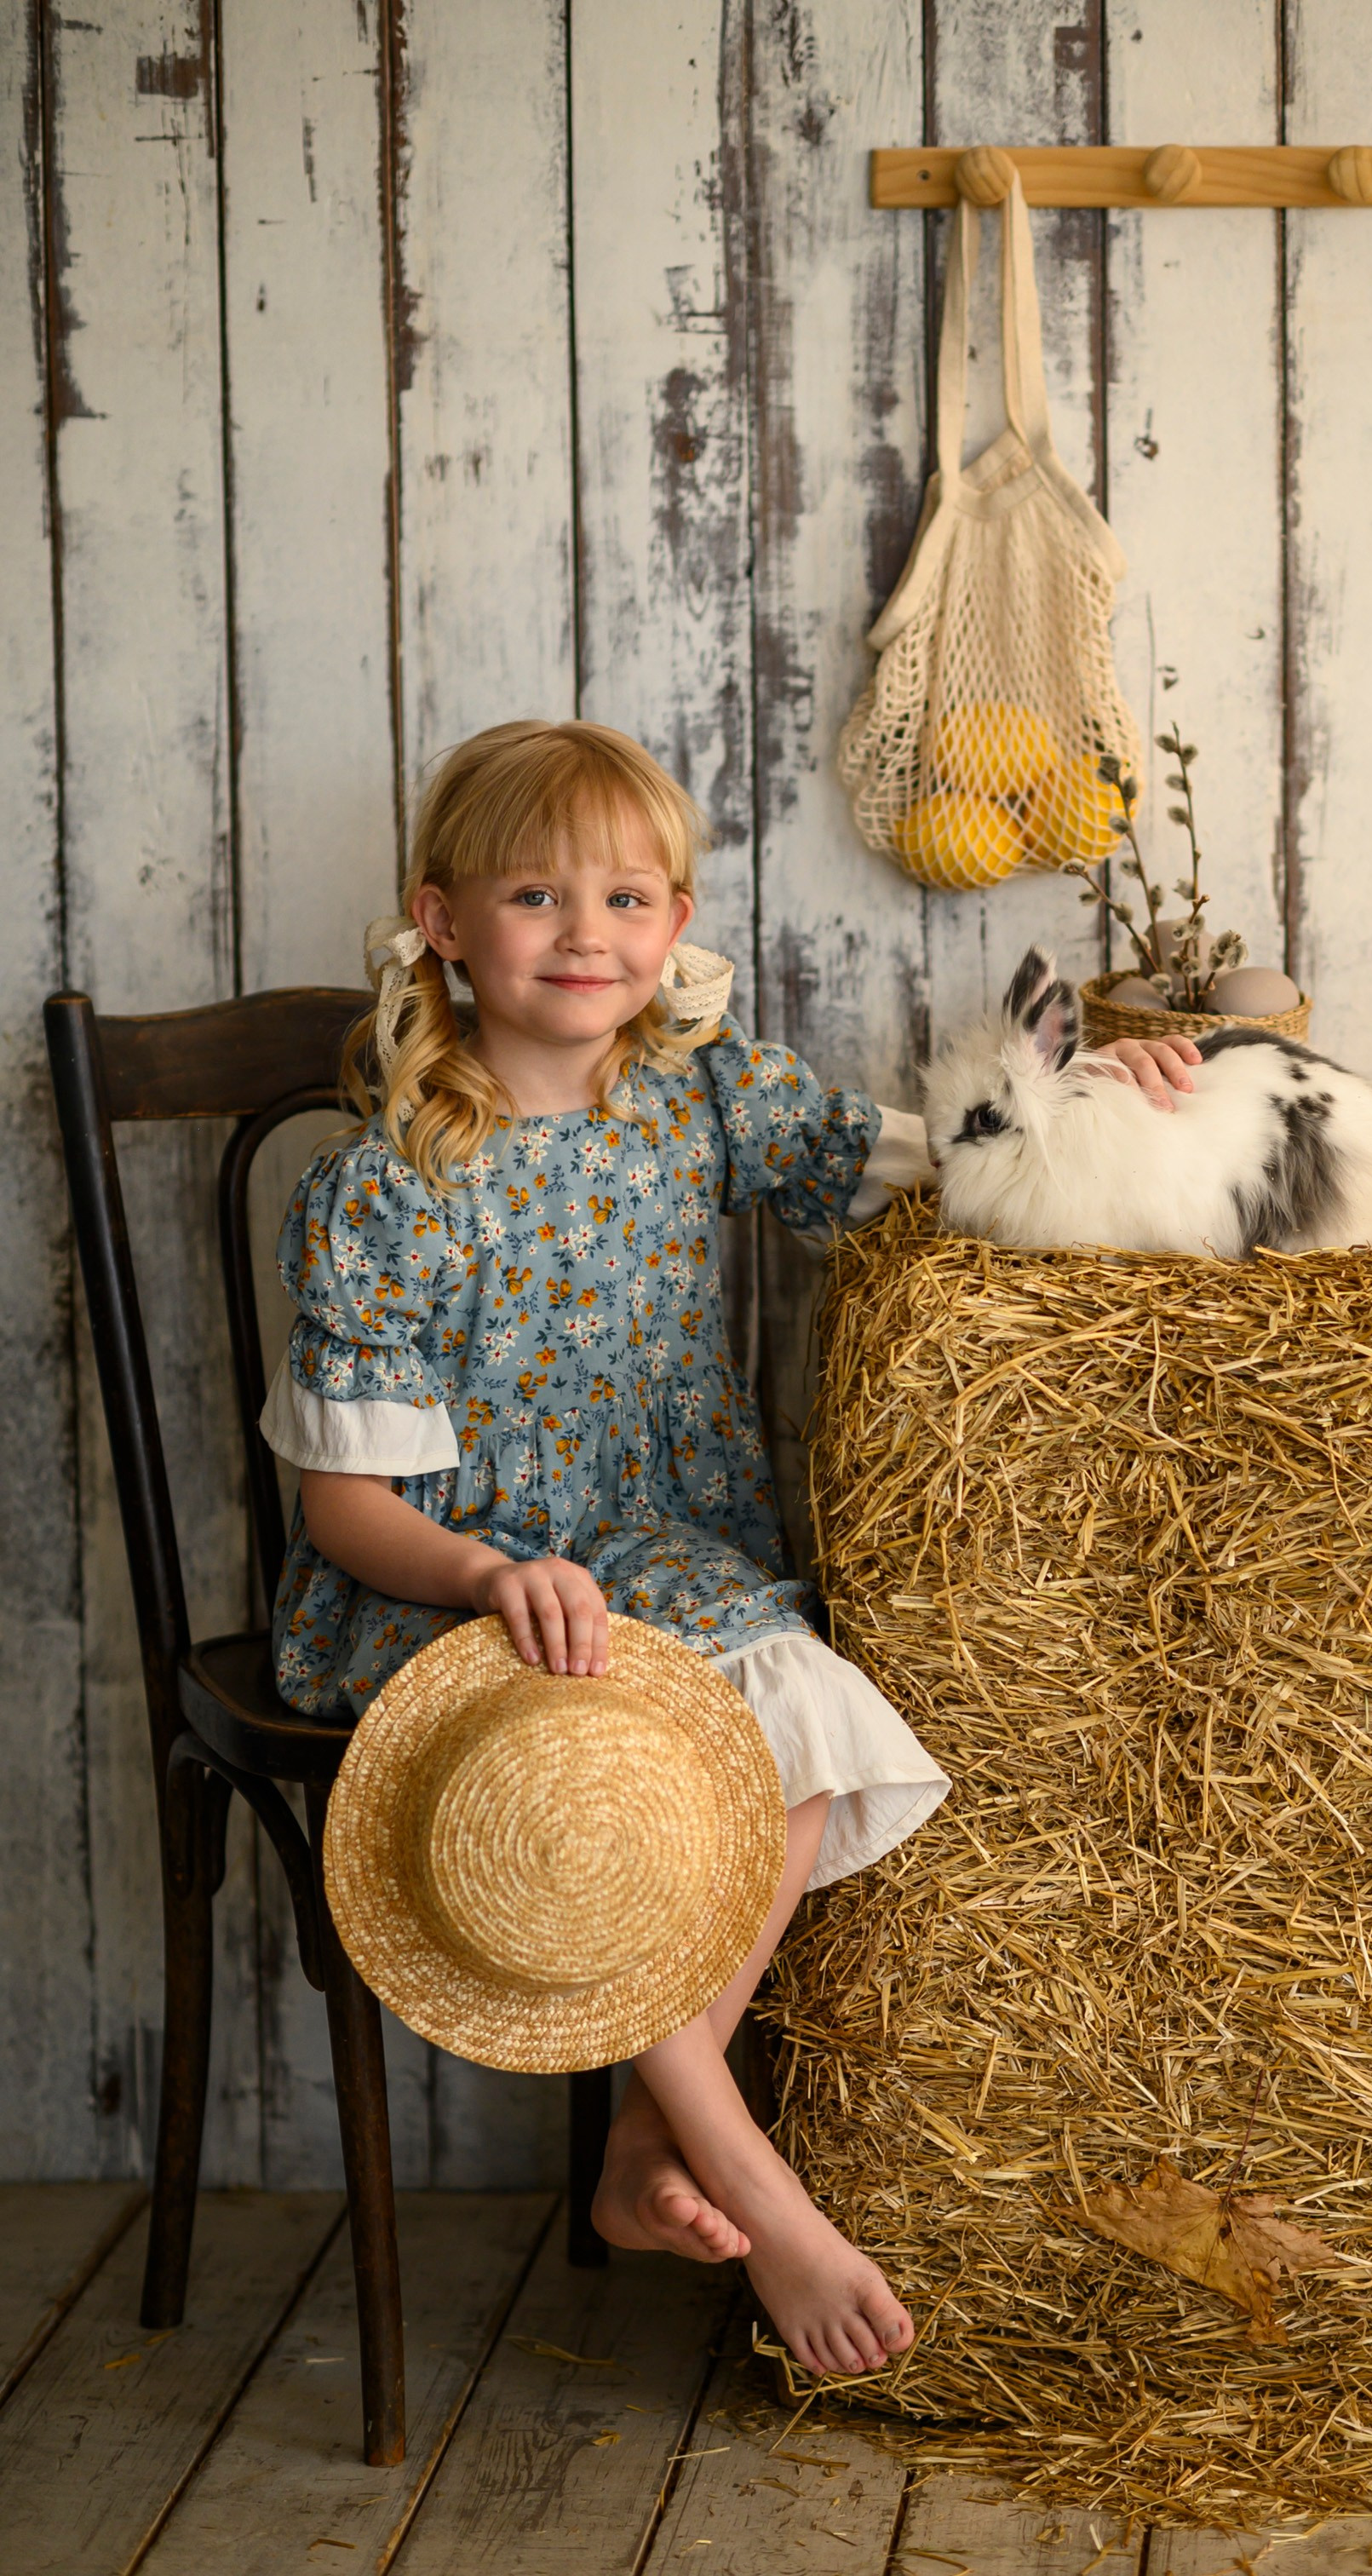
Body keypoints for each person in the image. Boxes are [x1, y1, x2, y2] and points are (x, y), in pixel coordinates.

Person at [261, 717, 1199, 2378]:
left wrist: (1086, 1102)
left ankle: (645, 2135)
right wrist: (486, 1577)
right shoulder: (392, 1186)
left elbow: (918, 1166)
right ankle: (753, 2177)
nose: (587, 934)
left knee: (804, 1732)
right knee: (602, 1779)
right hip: (454, 1581)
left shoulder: (699, 1093)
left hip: (661, 1551)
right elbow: (348, 1505)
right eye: (538, 895)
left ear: (677, 922)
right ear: (444, 918)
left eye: (628, 897)